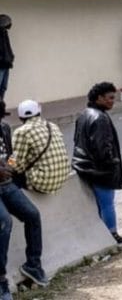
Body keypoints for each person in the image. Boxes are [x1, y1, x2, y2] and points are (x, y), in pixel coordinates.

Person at [73, 82, 122, 248]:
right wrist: (111, 163)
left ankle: (103, 238)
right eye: (110, 98)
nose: (112, 101)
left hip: (85, 167)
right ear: (99, 98)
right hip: (100, 170)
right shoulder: (100, 118)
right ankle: (112, 235)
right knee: (107, 204)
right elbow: (102, 148)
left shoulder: (84, 114)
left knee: (100, 205)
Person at [0, 100, 48, 296]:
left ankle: (33, 265)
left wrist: (9, 167)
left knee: (32, 215)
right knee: (4, 222)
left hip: (6, 184)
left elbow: (12, 155)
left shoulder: (3, 128)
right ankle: (1, 279)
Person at [10, 100, 69, 194]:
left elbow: (16, 163)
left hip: (42, 182)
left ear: (20, 117)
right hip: (62, 177)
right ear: (39, 112)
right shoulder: (53, 126)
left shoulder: (21, 131)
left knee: (8, 178)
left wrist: (7, 164)